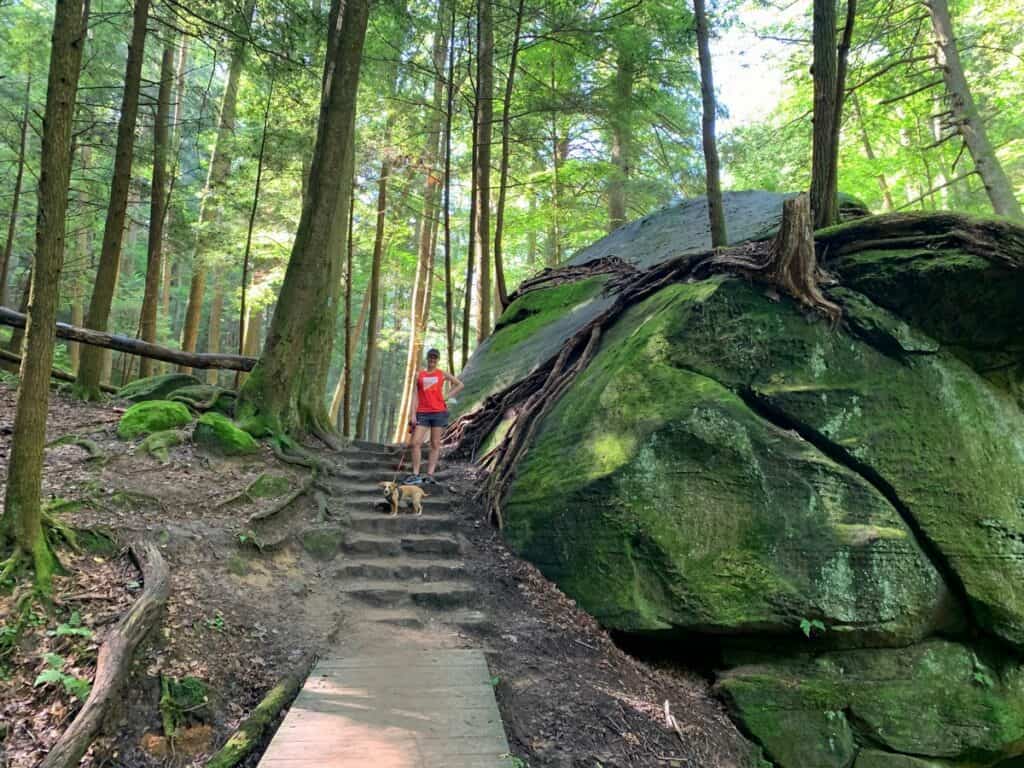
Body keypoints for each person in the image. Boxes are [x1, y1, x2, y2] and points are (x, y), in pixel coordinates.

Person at [404, 348, 463, 485]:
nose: (432, 360)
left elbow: (460, 384)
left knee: (435, 444)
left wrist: (446, 396)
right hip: (422, 413)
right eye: (430, 357)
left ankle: (430, 475)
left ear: (438, 359)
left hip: (438, 412)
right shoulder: (419, 374)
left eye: (435, 358)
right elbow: (415, 395)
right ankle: (415, 474)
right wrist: (412, 414)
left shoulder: (441, 373)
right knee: (415, 443)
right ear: (427, 358)